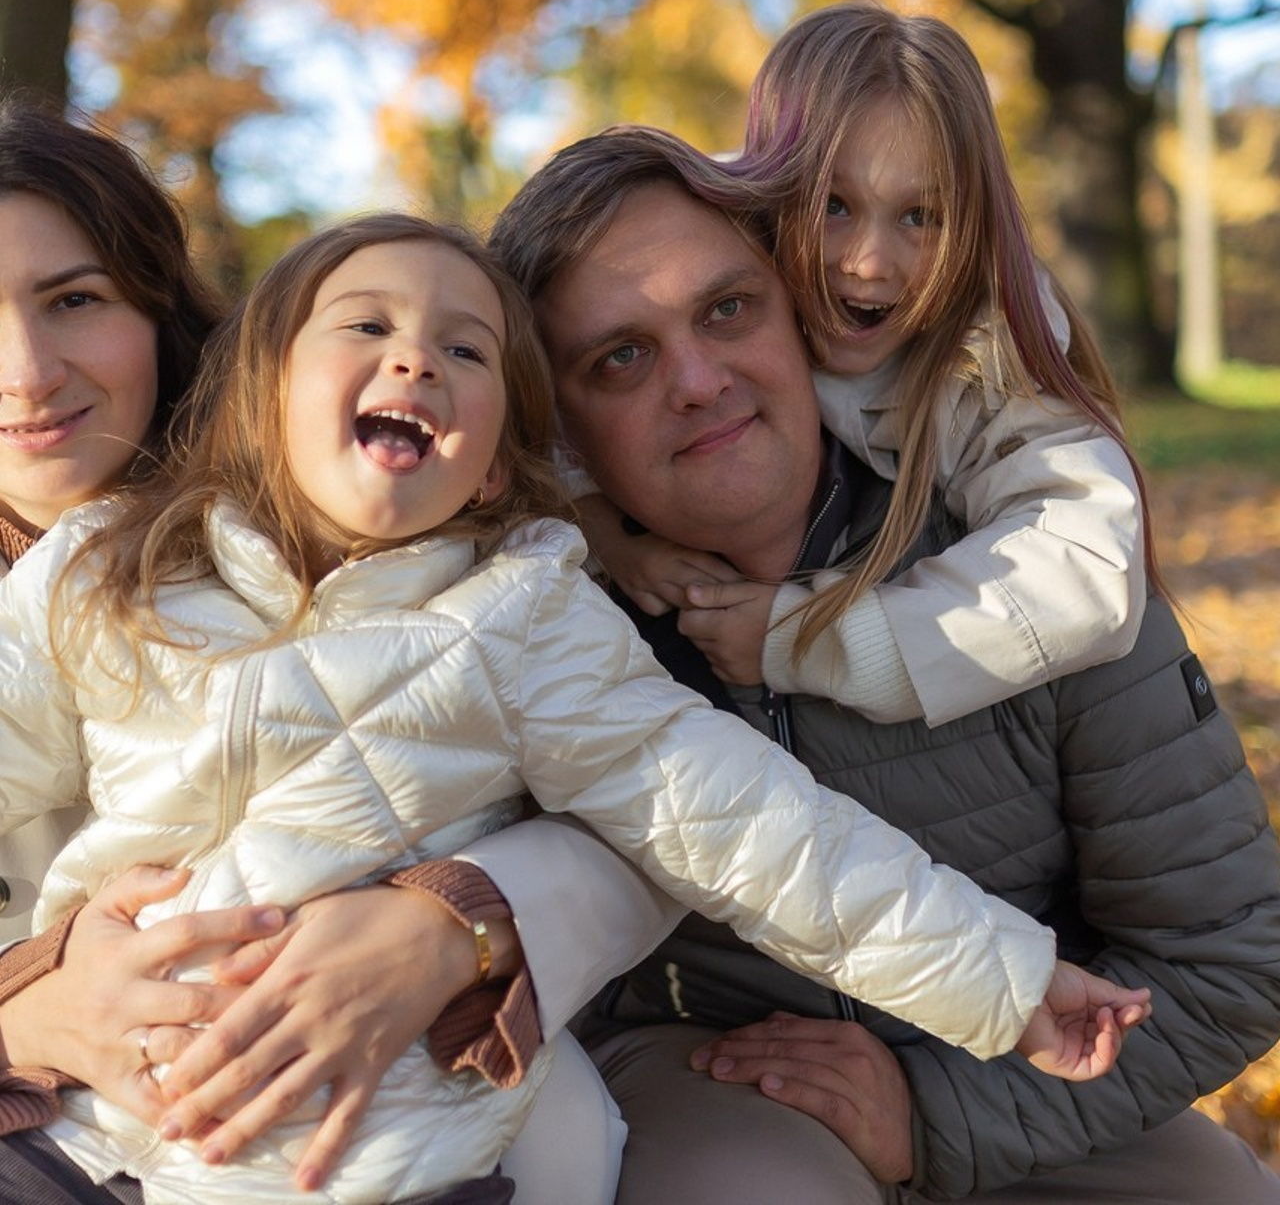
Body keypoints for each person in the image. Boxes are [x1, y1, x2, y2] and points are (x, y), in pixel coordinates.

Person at [0, 210, 1143, 1204]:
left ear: (496, 462)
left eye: (463, 348)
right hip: (91, 1134)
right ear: (262, 396)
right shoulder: (111, 572)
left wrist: (1007, 979)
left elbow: (751, 827)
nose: (416, 360)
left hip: (364, 1162)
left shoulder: (528, 621)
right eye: (365, 326)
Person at [488, 124, 1280, 1203]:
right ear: (560, 423)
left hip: (1028, 1061)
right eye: (618, 356)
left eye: (726, 309)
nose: (695, 378)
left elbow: (1223, 962)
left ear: (802, 311)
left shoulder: (1035, 578)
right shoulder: (539, 622)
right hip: (711, 1066)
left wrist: (929, 1114)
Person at [0, 100, 632, 1205]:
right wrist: (19, 1006)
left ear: (158, 308)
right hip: (78, 1127)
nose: (27, 370)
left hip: (388, 1093)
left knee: (567, 1135)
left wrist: (458, 919)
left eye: (75, 300)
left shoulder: (386, 519)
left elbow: (670, 808)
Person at [573, 3, 1157, 727]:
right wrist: (605, 535)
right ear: (772, 192)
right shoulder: (701, 248)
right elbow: (538, 405)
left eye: (921, 217)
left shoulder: (980, 358)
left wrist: (809, 639)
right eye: (835, 205)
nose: (871, 263)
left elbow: (1087, 573)